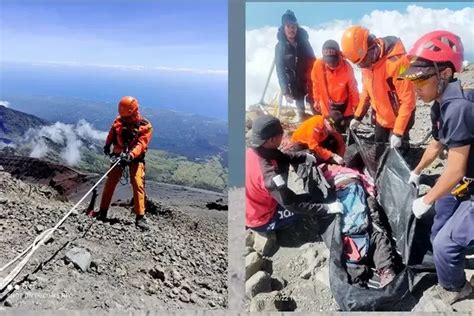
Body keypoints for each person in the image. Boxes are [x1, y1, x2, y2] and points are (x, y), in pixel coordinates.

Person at [400, 30, 473, 304]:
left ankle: (457, 288)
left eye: (421, 79)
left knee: (444, 245)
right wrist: (416, 172)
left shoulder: (458, 107)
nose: (415, 87)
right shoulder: (439, 106)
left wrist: (426, 199)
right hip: (467, 178)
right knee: (441, 217)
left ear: (443, 74)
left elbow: (454, 172)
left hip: (467, 179)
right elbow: (437, 145)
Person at [246, 115, 343, 232]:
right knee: (311, 203)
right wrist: (327, 208)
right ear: (272, 140)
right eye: (281, 135)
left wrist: (304, 156)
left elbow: (281, 156)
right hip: (261, 219)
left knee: (306, 197)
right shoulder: (271, 176)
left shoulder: (255, 151)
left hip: (249, 206)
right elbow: (292, 205)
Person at [341, 26, 416, 154]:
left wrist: (398, 133)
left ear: (371, 48)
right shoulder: (366, 65)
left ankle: (405, 149)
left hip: (400, 119)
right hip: (381, 119)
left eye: (363, 62)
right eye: (358, 64)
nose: (362, 66)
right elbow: (366, 93)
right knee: (379, 150)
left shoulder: (400, 63)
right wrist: (358, 117)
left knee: (398, 153)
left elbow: (408, 100)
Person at [89, 96, 153, 231]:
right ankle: (103, 211)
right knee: (110, 181)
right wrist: (107, 144)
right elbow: (112, 131)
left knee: (137, 182)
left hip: (135, 159)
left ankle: (140, 216)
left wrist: (130, 155)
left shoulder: (145, 126)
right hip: (119, 156)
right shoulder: (119, 120)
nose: (124, 119)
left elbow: (141, 145)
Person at [275, 10, 316, 122]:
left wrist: (315, 80)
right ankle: (302, 118)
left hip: (307, 79)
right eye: (288, 26)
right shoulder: (280, 47)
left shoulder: (304, 42)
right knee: (300, 108)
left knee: (316, 107)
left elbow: (313, 60)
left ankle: (318, 119)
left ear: (297, 28)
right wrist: (285, 91)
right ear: (284, 28)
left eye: (294, 26)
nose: (291, 29)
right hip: (293, 82)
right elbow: (280, 69)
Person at [311, 39, 359, 131]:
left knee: (350, 130)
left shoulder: (347, 67)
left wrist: (356, 106)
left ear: (339, 56)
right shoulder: (318, 65)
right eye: (328, 62)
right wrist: (316, 99)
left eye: (333, 61)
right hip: (327, 105)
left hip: (346, 106)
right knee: (330, 132)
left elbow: (353, 88)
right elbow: (315, 83)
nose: (331, 64)